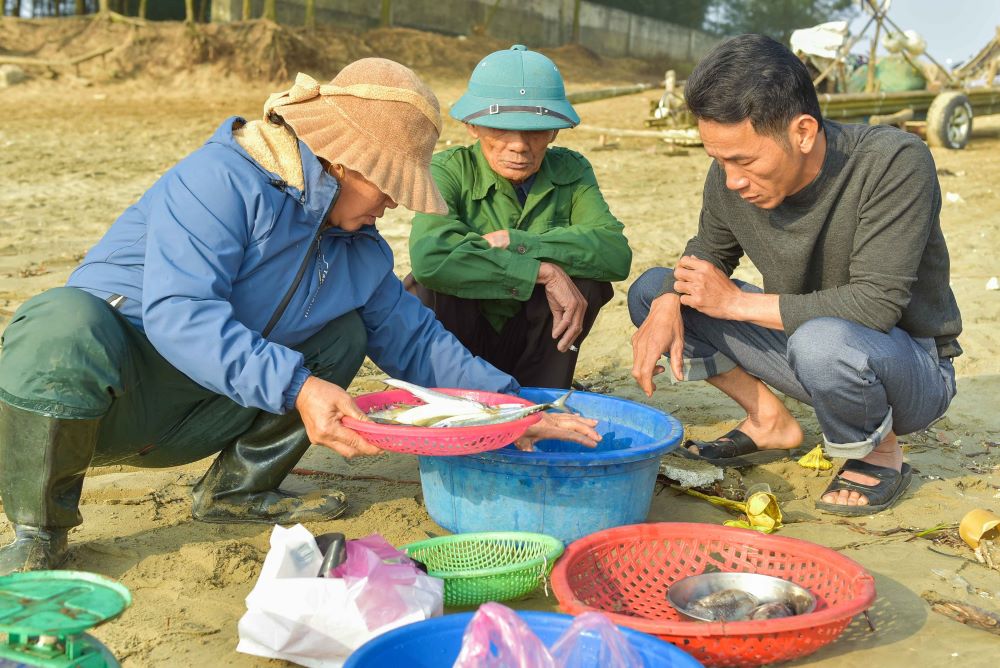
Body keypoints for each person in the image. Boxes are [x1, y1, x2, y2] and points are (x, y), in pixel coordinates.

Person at [0, 59, 600, 575]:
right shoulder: (221, 181)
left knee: (344, 330)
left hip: (209, 409)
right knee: (62, 323)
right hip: (111, 400)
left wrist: (518, 410)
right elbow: (180, 313)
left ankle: (235, 489)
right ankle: (38, 531)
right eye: (390, 186)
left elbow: (418, 343)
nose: (393, 204)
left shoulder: (357, 249)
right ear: (346, 163)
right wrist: (297, 386)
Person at [628, 35, 961, 516]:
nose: (732, 179)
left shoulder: (893, 161)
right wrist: (665, 303)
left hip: (907, 370)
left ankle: (880, 450)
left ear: (803, 132)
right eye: (718, 160)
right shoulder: (730, 177)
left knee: (821, 342)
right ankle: (768, 421)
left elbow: (874, 305)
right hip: (813, 350)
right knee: (654, 290)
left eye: (744, 160)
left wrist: (736, 304)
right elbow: (707, 252)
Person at [405, 45, 632, 388]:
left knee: (589, 280)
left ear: (554, 131)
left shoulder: (572, 170)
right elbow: (431, 256)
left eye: (535, 130)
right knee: (425, 285)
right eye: (502, 129)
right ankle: (448, 388)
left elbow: (615, 253)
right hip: (460, 346)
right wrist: (542, 271)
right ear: (473, 126)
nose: (519, 145)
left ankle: (540, 395)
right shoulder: (448, 170)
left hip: (536, 349)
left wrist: (522, 243)